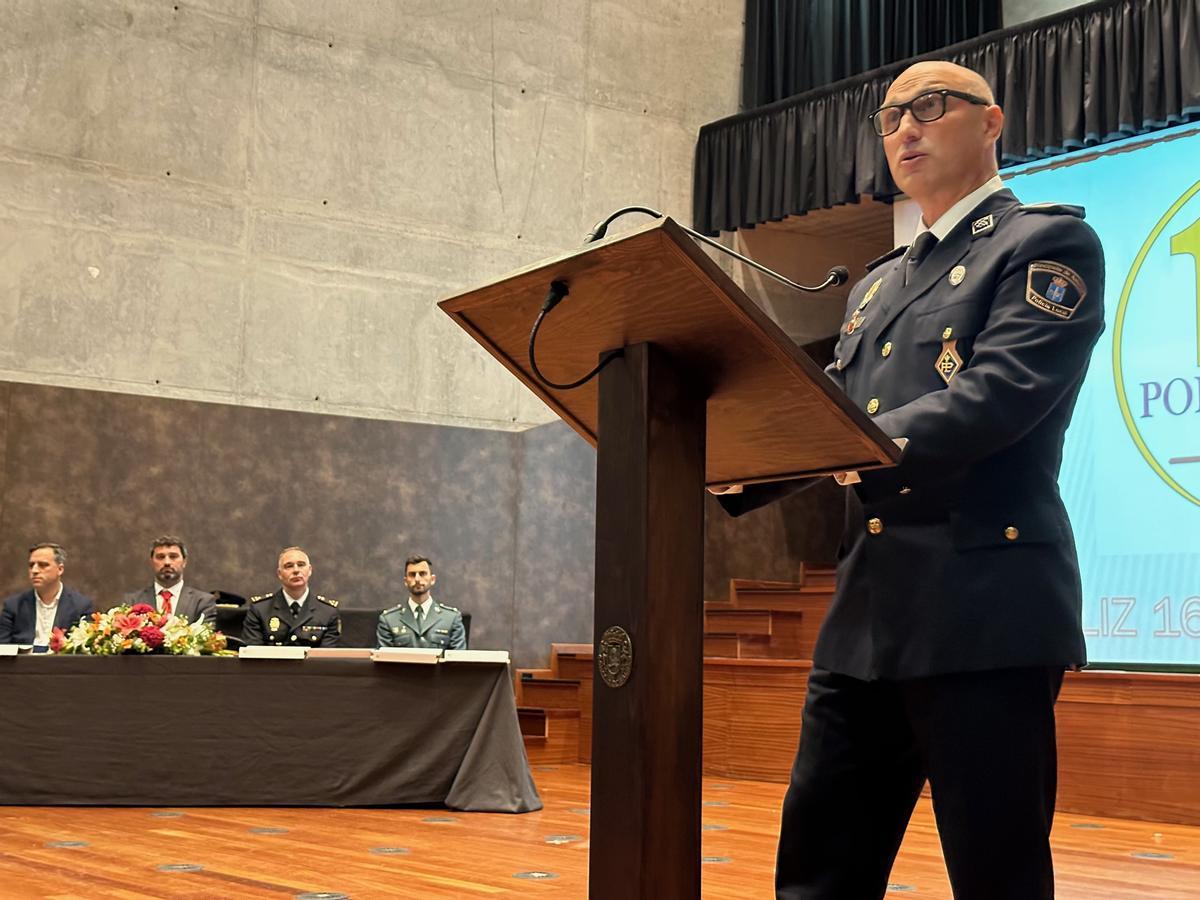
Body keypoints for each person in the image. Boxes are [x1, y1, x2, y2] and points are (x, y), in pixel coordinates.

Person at [717, 61, 1105, 899]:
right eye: (890, 117)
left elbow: (997, 397)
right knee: (817, 876)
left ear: (992, 122)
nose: (905, 130)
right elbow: (826, 414)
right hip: (866, 618)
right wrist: (726, 466)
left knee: (996, 876)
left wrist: (826, 444)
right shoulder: (876, 284)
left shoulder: (1045, 243)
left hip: (984, 609)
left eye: (929, 108)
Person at [242, 547, 341, 647]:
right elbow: (253, 655)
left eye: (301, 565)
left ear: (310, 570)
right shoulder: (260, 610)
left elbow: (326, 659)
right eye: (289, 566)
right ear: (279, 574)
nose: (296, 570)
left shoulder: (328, 612)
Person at [0, 543, 95, 647]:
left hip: (61, 662)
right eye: (31, 565)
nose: (34, 570)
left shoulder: (81, 606)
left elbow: (86, 650)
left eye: (43, 565)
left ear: (60, 569)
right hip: (23, 662)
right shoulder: (13, 606)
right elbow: (3, 649)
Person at [376, 555, 466, 650]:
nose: (417, 579)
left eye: (422, 573)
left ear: (432, 579)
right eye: (412, 574)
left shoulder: (451, 619)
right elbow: (383, 662)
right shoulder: (389, 620)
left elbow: (458, 661)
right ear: (406, 581)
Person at [123, 536, 217, 624]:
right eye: (160, 557)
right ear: (152, 562)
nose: (167, 562)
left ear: (184, 562)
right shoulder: (132, 601)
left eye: (173, 556)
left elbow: (207, 638)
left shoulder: (202, 602)